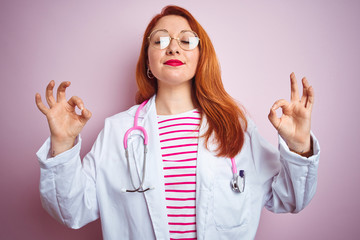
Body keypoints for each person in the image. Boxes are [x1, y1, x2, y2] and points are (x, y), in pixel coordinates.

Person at [35, 5, 320, 240]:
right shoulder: (117, 131)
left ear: (200, 56)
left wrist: (299, 147)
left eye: (186, 40)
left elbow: (289, 199)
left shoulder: (235, 125)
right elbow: (71, 210)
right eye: (159, 41)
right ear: (148, 61)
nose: (172, 48)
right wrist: (62, 144)